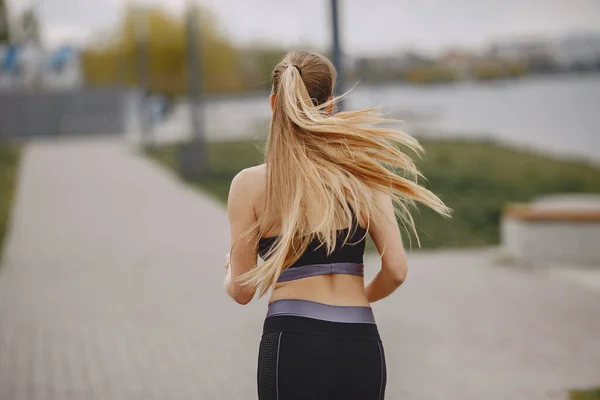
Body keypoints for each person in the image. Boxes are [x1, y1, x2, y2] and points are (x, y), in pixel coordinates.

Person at [224, 51, 450, 400]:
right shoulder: (365, 176)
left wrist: (229, 269)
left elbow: (242, 291)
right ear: (330, 105)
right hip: (360, 340)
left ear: (274, 102)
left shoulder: (249, 184)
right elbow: (397, 270)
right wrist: (354, 300)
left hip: (291, 342)